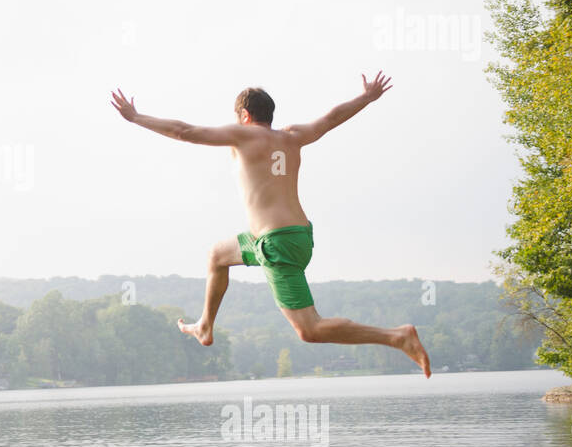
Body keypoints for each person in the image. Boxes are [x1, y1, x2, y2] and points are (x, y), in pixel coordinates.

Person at [109, 73, 432, 377]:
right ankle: (205, 326)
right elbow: (331, 118)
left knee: (310, 330)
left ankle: (396, 336)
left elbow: (185, 132)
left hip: (277, 243)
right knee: (218, 255)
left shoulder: (244, 134)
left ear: (245, 116)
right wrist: (366, 97)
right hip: (289, 236)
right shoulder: (293, 136)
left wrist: (137, 118)